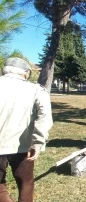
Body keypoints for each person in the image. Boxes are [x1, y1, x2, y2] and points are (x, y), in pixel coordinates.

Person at [0, 57, 53, 202]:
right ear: (26, 72)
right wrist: (37, 142)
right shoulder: (36, 90)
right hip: (23, 147)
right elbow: (44, 118)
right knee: (26, 184)